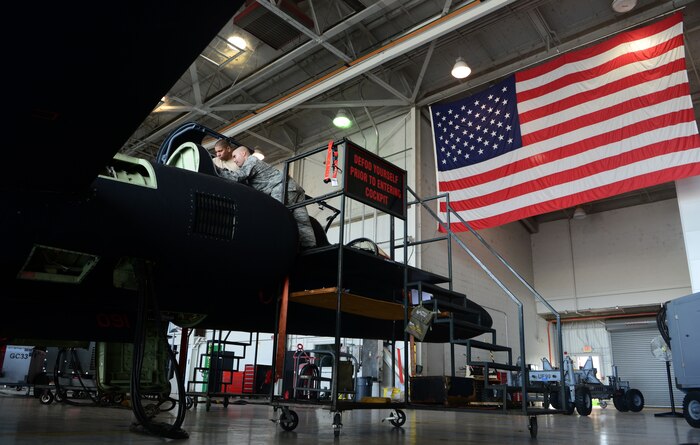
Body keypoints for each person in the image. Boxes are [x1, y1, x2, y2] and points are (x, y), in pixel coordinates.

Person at [216, 143, 316, 249]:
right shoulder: (254, 166)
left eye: (235, 156)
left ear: (243, 153)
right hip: (293, 188)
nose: (234, 160)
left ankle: (277, 247)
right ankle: (310, 247)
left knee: (276, 215)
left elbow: (237, 177)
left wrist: (217, 170)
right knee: (302, 221)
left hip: (281, 187)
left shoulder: (251, 160)